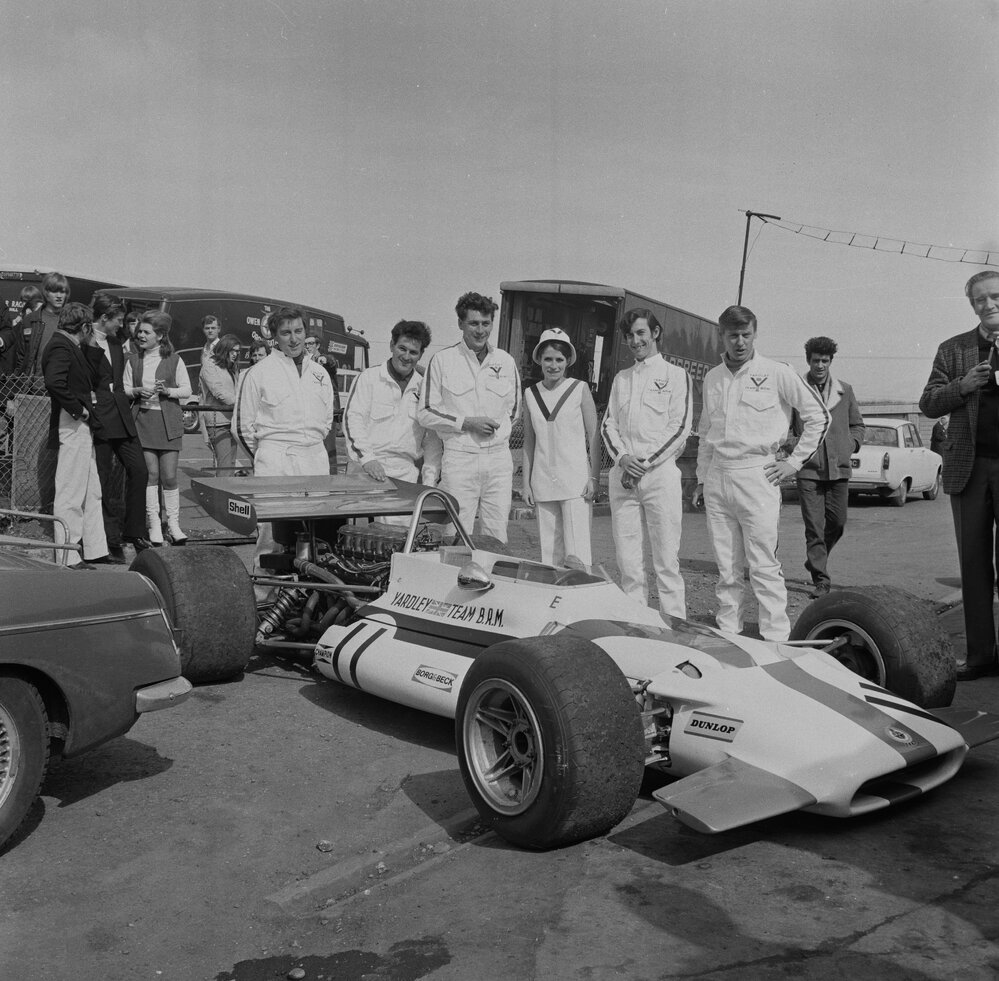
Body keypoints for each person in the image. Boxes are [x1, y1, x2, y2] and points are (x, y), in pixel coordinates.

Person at [691, 305, 829, 641]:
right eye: (732, 335)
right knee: (727, 567)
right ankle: (729, 633)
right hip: (719, 476)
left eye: (746, 335)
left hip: (758, 474)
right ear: (721, 336)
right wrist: (701, 477)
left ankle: (776, 638)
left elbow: (818, 417)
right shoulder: (712, 378)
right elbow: (707, 433)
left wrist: (793, 463)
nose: (739, 342)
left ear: (755, 333)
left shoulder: (776, 372)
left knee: (764, 564)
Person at [919, 269, 999, 680]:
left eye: (994, 297)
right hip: (969, 469)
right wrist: (963, 385)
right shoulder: (953, 350)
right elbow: (929, 403)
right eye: (979, 300)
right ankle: (982, 657)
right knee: (973, 565)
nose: (988, 305)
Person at [233, 307, 337, 591]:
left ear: (306, 332)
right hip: (274, 460)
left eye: (299, 331)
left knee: (314, 533)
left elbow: (326, 420)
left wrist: (309, 451)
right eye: (286, 333)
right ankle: (264, 595)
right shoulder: (258, 373)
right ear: (274, 337)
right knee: (271, 534)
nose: (293, 339)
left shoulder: (320, 374)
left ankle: (308, 597)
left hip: (314, 460)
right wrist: (268, 457)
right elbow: (242, 428)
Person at [601, 309, 693, 616]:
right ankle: (635, 623)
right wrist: (624, 459)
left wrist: (644, 462)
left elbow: (679, 428)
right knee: (628, 562)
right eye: (630, 336)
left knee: (666, 560)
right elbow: (608, 425)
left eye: (641, 333)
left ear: (655, 333)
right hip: (623, 474)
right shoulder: (621, 379)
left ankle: (675, 626)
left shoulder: (676, 376)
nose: (635, 341)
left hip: (659, 475)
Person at [418, 292, 521, 542]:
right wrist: (466, 423)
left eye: (486, 323)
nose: (480, 330)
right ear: (460, 324)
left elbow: (515, 411)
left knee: (496, 535)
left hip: (498, 460)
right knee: (455, 534)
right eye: (473, 323)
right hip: (460, 459)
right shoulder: (443, 360)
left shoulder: (505, 361)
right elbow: (426, 412)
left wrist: (496, 433)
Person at [787, 336, 864, 598]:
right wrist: (797, 445)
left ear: (831, 361)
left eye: (825, 361)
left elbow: (858, 425)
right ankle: (821, 579)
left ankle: (814, 559)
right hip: (809, 470)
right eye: (816, 360)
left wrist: (850, 444)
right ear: (808, 360)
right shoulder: (796, 390)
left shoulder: (845, 390)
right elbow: (784, 428)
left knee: (838, 522)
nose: (820, 365)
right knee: (814, 527)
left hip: (839, 468)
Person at [522, 328, 601, 567]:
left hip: (575, 481)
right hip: (543, 481)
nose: (553, 365)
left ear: (568, 362)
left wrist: (593, 478)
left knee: (577, 553)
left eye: (559, 359)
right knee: (550, 554)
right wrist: (526, 483)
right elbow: (529, 442)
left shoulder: (579, 388)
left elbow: (594, 436)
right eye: (548, 359)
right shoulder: (530, 393)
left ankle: (581, 600)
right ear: (539, 360)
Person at [41, 302, 110, 568]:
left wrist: (91, 345)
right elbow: (54, 381)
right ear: (83, 326)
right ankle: (68, 555)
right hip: (71, 423)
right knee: (71, 491)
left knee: (91, 491)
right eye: (88, 328)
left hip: (79, 425)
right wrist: (79, 410)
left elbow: (93, 376)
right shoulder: (61, 346)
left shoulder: (71, 346)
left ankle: (94, 548)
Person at [85, 292, 151, 558]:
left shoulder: (115, 343)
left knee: (140, 470)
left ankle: (134, 531)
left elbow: (118, 383)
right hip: (100, 418)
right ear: (104, 317)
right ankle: (102, 539)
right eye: (118, 320)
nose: (121, 326)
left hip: (121, 417)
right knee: (100, 480)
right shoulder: (86, 342)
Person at [342, 319, 442, 486]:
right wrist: (367, 459)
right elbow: (353, 420)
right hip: (365, 469)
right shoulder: (369, 378)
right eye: (402, 348)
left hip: (405, 474)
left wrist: (429, 482)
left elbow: (432, 440)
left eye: (413, 352)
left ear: (421, 355)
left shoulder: (425, 387)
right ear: (391, 346)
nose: (406, 357)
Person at [123, 310, 192, 546]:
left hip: (168, 423)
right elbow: (124, 389)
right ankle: (154, 524)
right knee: (151, 476)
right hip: (142, 421)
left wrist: (168, 391)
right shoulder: (133, 360)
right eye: (139, 331)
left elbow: (186, 390)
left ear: (160, 336)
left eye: (146, 332)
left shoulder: (175, 360)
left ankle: (173, 524)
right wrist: (135, 391)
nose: (140, 335)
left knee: (170, 476)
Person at [198, 332, 242, 471]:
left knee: (231, 465)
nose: (235, 354)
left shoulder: (232, 366)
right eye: (232, 351)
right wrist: (242, 403)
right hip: (217, 422)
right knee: (224, 466)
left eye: (237, 351)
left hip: (232, 420)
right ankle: (221, 493)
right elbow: (218, 392)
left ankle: (228, 492)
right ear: (224, 349)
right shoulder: (209, 365)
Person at [20, 272, 70, 375]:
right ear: (46, 293)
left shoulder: (71, 320)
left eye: (63, 292)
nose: (59, 296)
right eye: (54, 291)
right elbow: (20, 355)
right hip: (34, 385)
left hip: (62, 384)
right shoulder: (31, 319)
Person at [304, 334, 341, 472]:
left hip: (328, 411)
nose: (308, 346)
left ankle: (333, 480)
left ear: (318, 345)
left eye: (311, 343)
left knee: (329, 448)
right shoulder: (305, 362)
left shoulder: (323, 360)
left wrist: (324, 359)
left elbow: (332, 362)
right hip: (311, 411)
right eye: (306, 344)